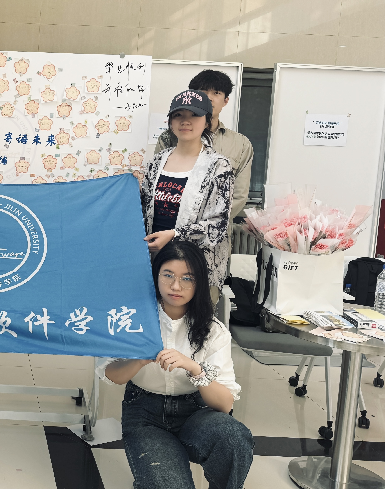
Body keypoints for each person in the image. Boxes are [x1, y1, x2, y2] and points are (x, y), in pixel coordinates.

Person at [97, 240, 253, 489]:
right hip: (145, 414)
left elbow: (225, 404)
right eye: (167, 275)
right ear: (155, 276)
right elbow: (109, 373)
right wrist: (139, 359)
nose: (176, 286)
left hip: (196, 411)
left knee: (234, 438)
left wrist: (195, 369)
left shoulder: (213, 330)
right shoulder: (130, 319)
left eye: (187, 278)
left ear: (199, 283)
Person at [142, 89, 234, 303]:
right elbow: (143, 210)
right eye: (178, 115)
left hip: (195, 266)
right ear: (170, 121)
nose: (185, 121)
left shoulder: (218, 166)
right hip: (155, 262)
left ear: (207, 121)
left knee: (190, 323)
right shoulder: (156, 162)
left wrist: (175, 235)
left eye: (194, 115)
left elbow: (218, 225)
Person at [155, 69, 253, 222]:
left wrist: (201, 226)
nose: (209, 98)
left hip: (214, 232)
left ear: (226, 101)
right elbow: (157, 184)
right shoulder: (169, 138)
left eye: (216, 93)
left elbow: (239, 196)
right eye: (203, 92)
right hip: (168, 224)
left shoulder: (240, 144)